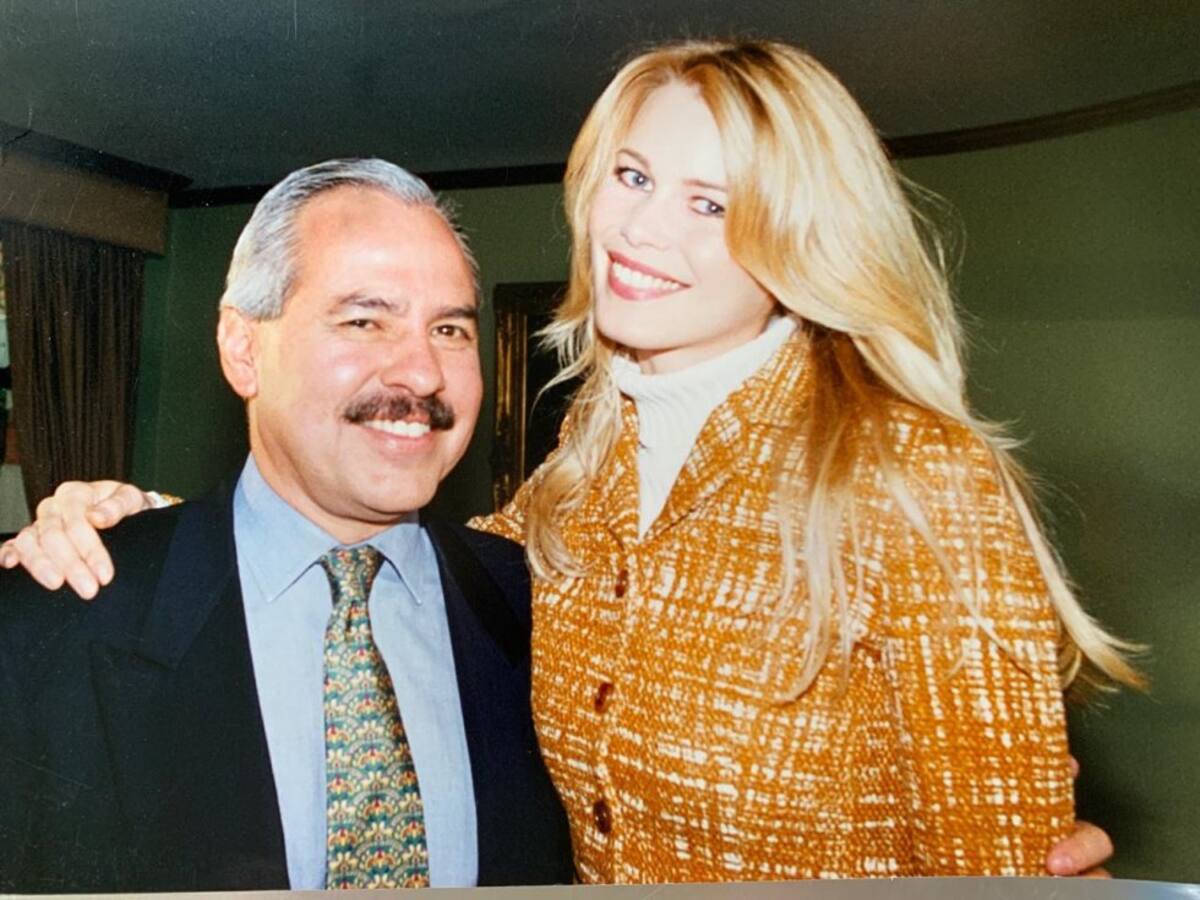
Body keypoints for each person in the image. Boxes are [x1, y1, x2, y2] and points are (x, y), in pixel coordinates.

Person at [3, 41, 1130, 882]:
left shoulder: (912, 476)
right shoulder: (580, 482)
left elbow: (1007, 850)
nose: (642, 232)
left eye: (712, 203)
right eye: (633, 178)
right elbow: (374, 548)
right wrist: (159, 530)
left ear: (797, 236)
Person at [0, 159, 573, 893]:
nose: (424, 373)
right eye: (365, 321)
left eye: (450, 328)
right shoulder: (54, 620)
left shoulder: (537, 606)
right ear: (244, 350)